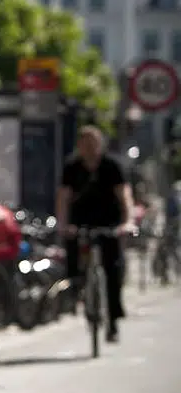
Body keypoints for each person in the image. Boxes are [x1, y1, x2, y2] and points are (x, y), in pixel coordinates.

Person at [55, 125, 134, 342]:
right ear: (79, 146)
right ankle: (76, 289)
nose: (89, 148)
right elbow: (63, 197)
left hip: (109, 221)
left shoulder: (112, 166)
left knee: (112, 269)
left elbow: (124, 195)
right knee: (72, 251)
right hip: (80, 220)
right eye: (85, 144)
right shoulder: (72, 167)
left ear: (100, 145)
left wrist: (127, 222)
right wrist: (63, 224)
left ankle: (113, 320)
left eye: (93, 143)